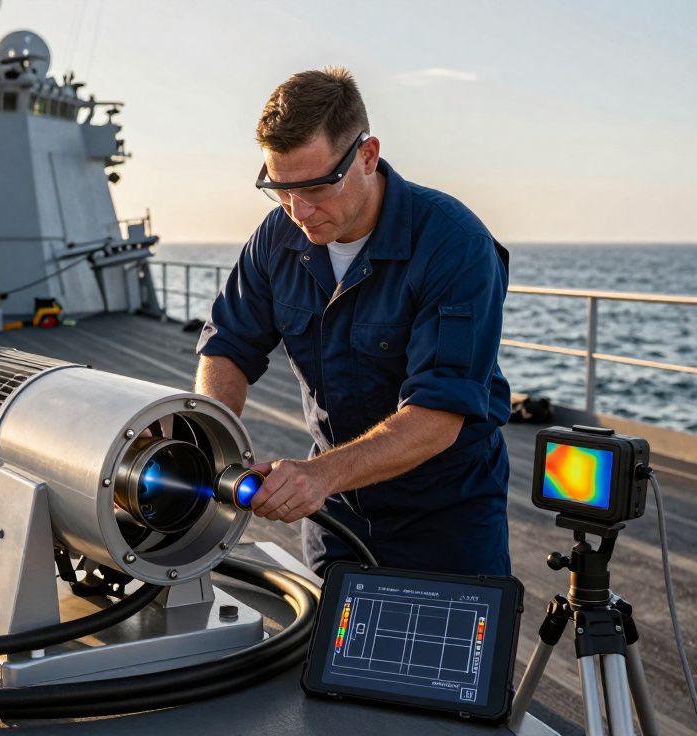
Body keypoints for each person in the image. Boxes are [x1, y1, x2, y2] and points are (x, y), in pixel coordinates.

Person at [195, 68, 513, 577]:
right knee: (330, 655)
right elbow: (228, 345)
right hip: (335, 517)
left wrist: (317, 476)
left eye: (317, 187)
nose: (298, 210)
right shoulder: (278, 235)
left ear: (367, 156)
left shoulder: (455, 245)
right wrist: (205, 443)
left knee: (444, 657)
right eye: (280, 189)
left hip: (445, 518)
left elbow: (437, 416)